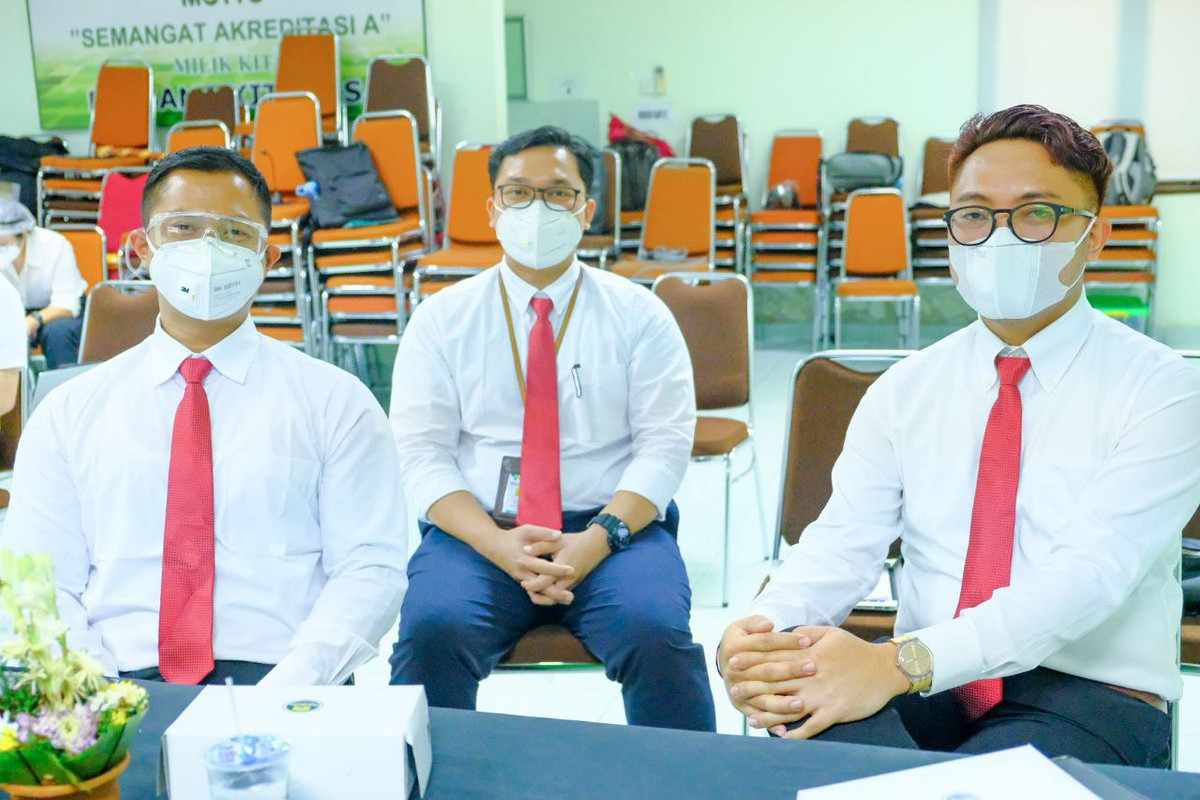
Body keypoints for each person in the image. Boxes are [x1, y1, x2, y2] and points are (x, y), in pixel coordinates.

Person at [719, 105, 1200, 767]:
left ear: (1096, 236)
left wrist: (898, 663)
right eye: (973, 214)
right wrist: (765, 628)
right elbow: (841, 544)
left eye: (1036, 212)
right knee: (810, 729)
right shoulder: (906, 388)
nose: (1000, 238)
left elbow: (1088, 577)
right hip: (929, 681)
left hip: (1087, 688)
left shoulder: (1162, 388)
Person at [2, 147, 407, 686]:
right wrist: (99, 697)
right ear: (142, 248)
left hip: (286, 678)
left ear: (267, 258)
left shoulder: (336, 403)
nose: (208, 250)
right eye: (184, 228)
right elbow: (39, 579)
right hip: (115, 678)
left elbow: (370, 568)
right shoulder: (69, 412)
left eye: (235, 233)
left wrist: (291, 688)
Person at [389, 126, 715, 731]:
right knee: (432, 630)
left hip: (614, 531)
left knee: (655, 633)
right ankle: (420, 774)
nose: (536, 209)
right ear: (492, 209)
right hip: (480, 534)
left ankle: (684, 776)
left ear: (586, 212)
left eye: (559, 193)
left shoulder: (639, 314)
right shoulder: (441, 319)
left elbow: (665, 446)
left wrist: (596, 538)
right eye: (518, 192)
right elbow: (422, 454)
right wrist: (497, 544)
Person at [0, 199, 88, 369]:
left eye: (3, 244)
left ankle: (62, 383)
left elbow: (66, 304)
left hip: (59, 312)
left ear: (22, 234)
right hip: (15, 310)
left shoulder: (55, 246)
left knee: (58, 332)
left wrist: (32, 321)